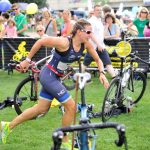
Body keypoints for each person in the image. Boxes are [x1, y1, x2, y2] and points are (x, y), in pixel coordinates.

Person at [0, 19, 109, 149]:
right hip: (48, 75)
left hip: (56, 78)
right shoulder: (64, 42)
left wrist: (102, 73)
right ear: (79, 31)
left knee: (41, 109)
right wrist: (27, 61)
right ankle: (64, 139)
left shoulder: (86, 44)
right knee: (71, 107)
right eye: (88, 32)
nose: (91, 35)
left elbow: (98, 59)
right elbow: (41, 41)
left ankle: (7, 126)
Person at [82, 4, 117, 78]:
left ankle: (115, 79)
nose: (99, 11)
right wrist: (98, 44)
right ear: (94, 11)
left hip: (101, 47)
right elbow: (90, 34)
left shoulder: (99, 21)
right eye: (97, 10)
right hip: (93, 48)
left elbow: (101, 35)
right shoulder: (91, 21)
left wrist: (106, 28)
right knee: (85, 64)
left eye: (100, 10)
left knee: (108, 63)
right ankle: (77, 78)